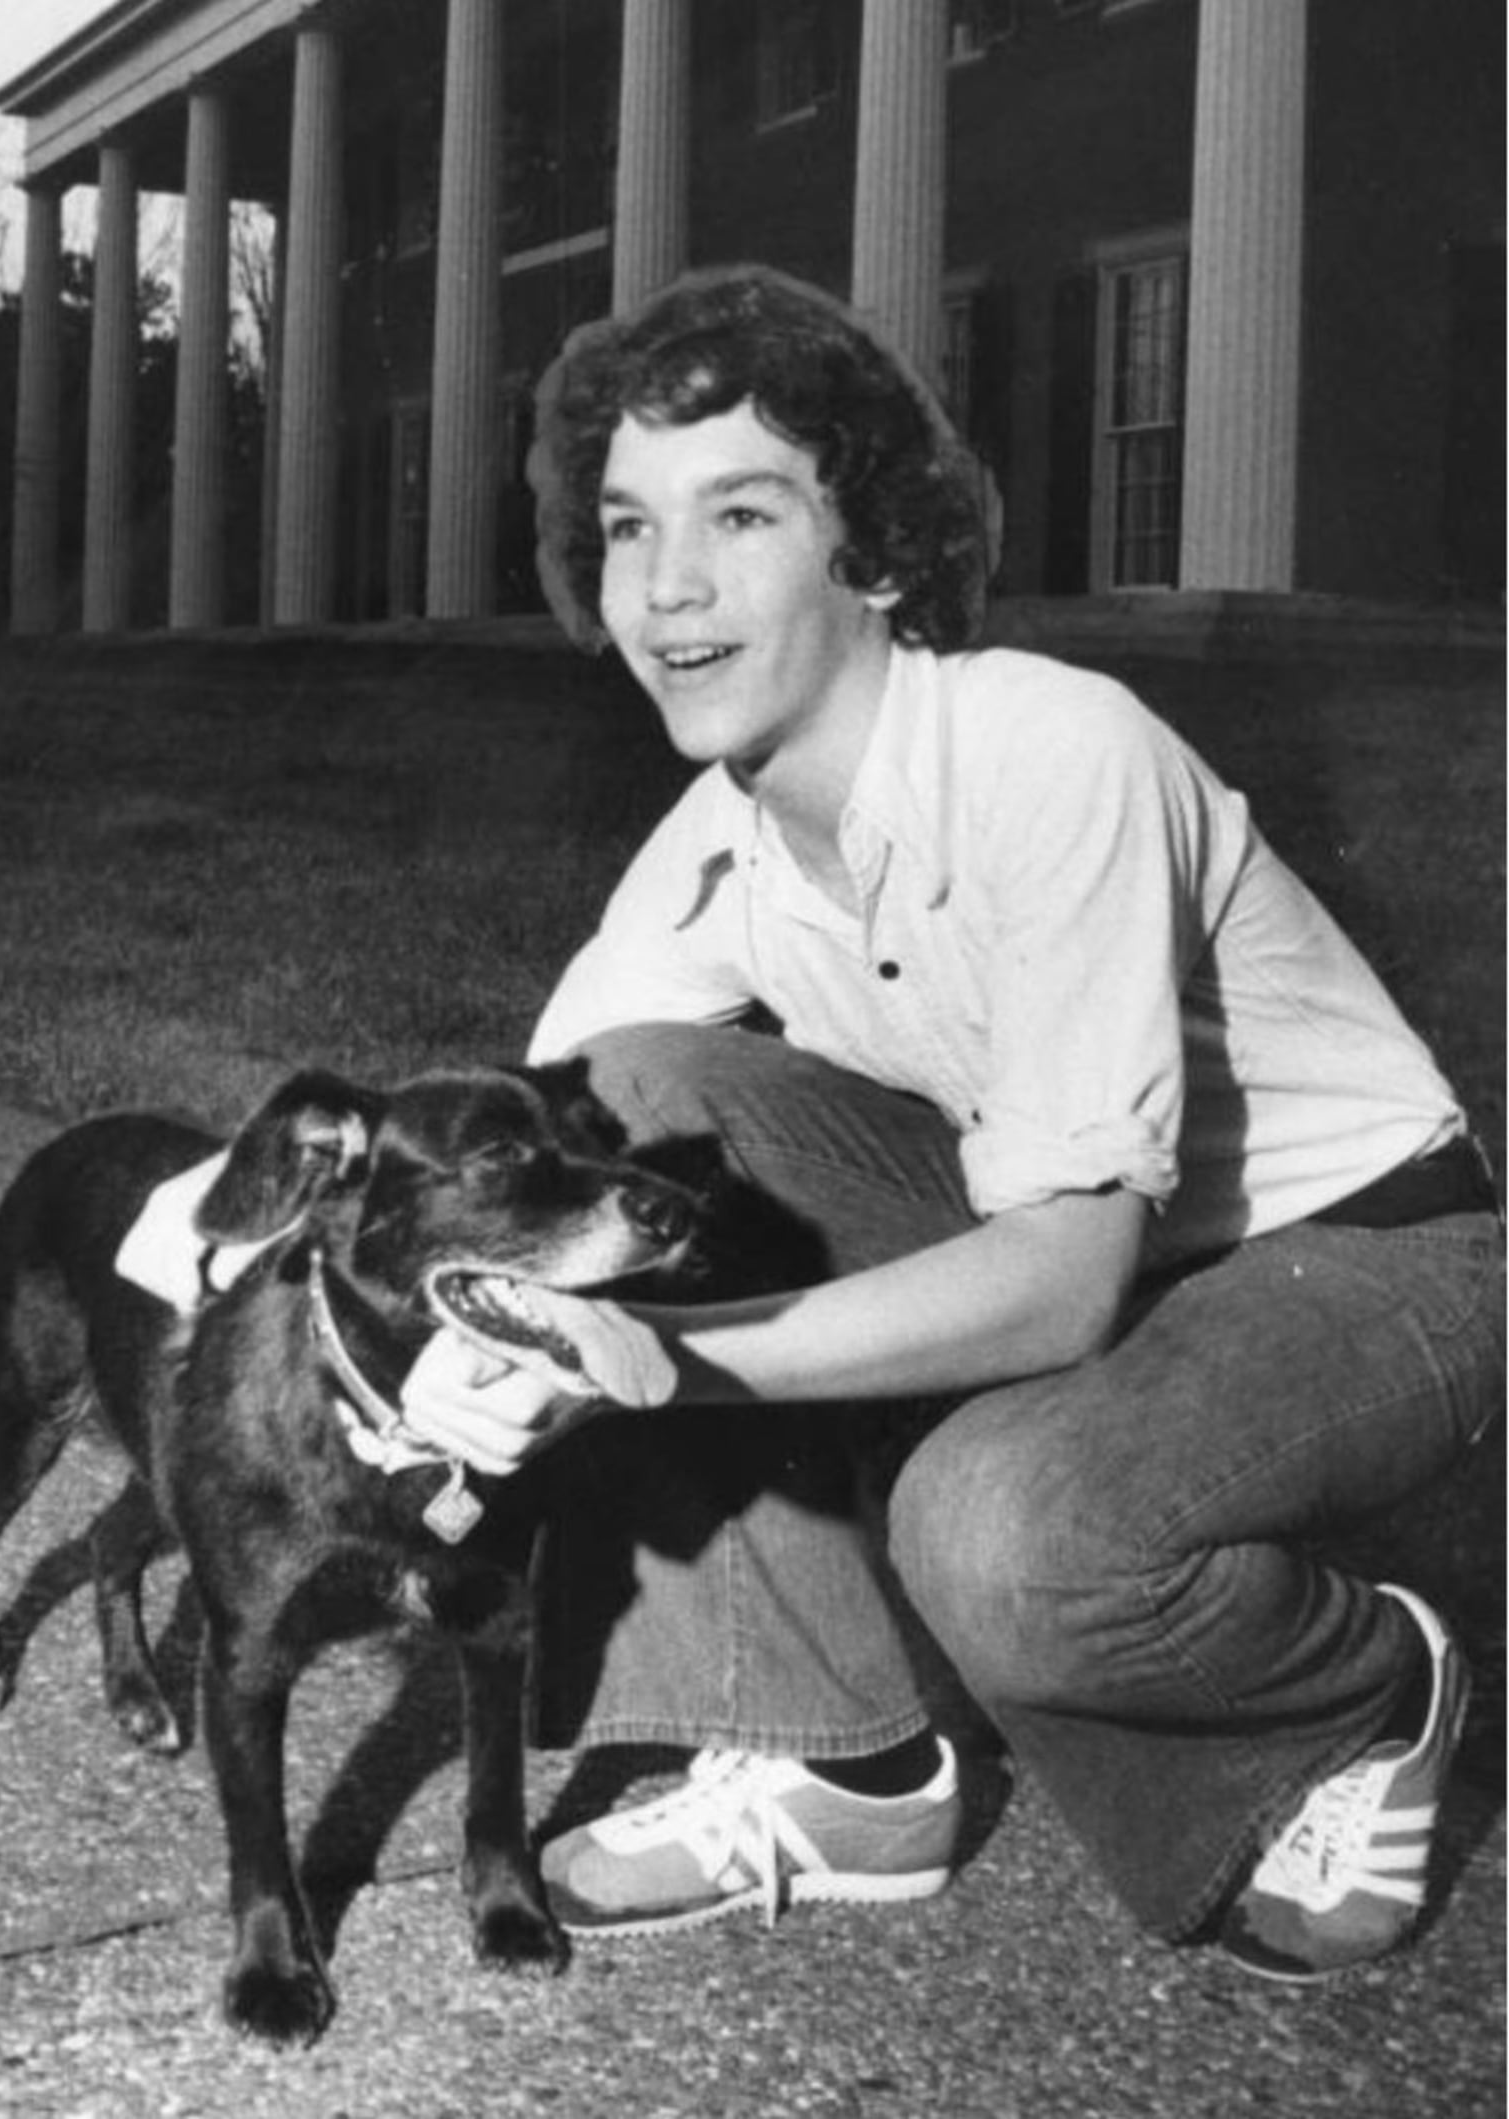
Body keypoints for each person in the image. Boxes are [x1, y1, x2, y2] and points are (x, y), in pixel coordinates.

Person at [132, 263, 1503, 1982]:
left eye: (744, 515)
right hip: (1111, 1233)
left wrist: (667, 1360)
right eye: (628, 529)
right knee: (626, 1110)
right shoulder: (726, 831)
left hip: (1370, 1261)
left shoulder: (1053, 749)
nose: (669, 588)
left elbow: (1067, 1282)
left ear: (874, 549)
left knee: (998, 1533)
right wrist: (234, 1221)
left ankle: (1365, 1683)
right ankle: (839, 1759)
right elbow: (519, 1132)